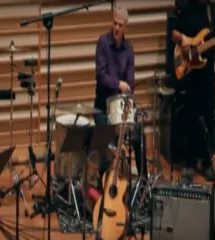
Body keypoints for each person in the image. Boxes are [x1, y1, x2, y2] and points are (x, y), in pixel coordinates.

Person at [172, 0, 215, 183]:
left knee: (208, 118)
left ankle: (207, 161)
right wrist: (183, 39)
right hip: (190, 72)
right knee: (190, 117)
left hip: (207, 73)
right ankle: (190, 164)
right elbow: (174, 33)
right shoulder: (185, 6)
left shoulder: (213, 10)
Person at [93, 4, 148, 191]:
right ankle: (102, 187)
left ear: (126, 28)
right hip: (102, 108)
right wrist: (118, 84)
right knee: (104, 142)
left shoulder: (129, 49)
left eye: (120, 25)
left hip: (121, 108)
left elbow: (130, 81)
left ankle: (143, 183)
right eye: (114, 23)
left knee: (139, 134)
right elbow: (102, 77)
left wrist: (127, 89)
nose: (117, 28)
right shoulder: (102, 43)